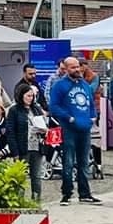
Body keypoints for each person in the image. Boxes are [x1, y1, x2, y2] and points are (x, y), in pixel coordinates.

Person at [46, 57, 100, 204]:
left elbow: (90, 103)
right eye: (73, 67)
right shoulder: (59, 85)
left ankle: (85, 193)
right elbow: (54, 106)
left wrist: (93, 117)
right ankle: (67, 193)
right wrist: (68, 118)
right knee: (68, 161)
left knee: (84, 162)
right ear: (66, 68)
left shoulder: (85, 85)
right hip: (69, 128)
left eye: (78, 67)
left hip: (84, 128)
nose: (77, 70)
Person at [1, 82, 49, 202]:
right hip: (23, 147)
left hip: (37, 146)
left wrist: (44, 129)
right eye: (28, 96)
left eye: (32, 96)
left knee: (36, 176)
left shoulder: (36, 109)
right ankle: (19, 201)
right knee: (21, 177)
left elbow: (44, 124)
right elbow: (10, 132)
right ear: (21, 95)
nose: (30, 98)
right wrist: (15, 151)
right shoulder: (14, 110)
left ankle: (36, 200)